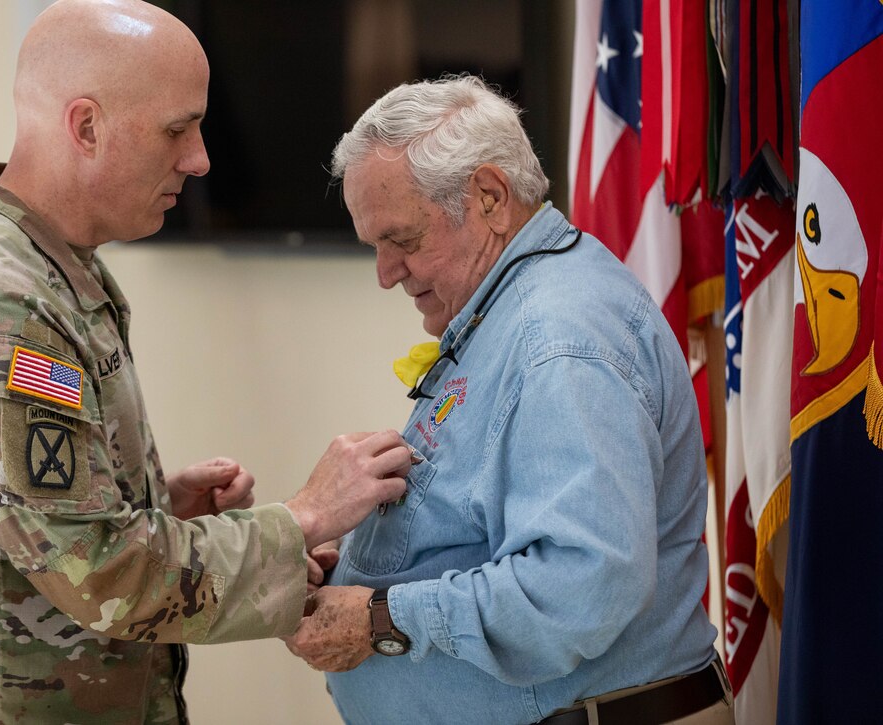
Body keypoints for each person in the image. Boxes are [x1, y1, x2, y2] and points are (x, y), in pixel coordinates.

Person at [0, 1, 410, 722]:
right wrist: (304, 515)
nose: (201, 157)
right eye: (177, 128)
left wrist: (152, 505)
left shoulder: (51, 266)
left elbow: (38, 522)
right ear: (86, 126)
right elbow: (99, 570)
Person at [284, 76, 734, 725]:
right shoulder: (511, 310)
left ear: (490, 196)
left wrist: (381, 617)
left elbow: (579, 586)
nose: (385, 273)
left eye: (402, 241)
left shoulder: (557, 340)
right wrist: (364, 570)